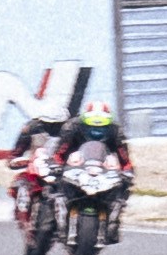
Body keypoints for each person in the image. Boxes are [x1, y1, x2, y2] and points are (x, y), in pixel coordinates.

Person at [49, 95, 132, 242]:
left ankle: (113, 222)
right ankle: (55, 221)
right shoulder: (72, 128)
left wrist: (127, 172)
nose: (96, 132)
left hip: (103, 165)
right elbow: (60, 152)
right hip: (74, 164)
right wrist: (56, 165)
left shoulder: (115, 131)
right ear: (84, 124)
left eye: (101, 129)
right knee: (53, 186)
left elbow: (124, 158)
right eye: (92, 128)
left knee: (124, 186)